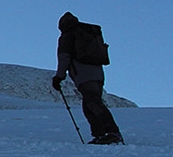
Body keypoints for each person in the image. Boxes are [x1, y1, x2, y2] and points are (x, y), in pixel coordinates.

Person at [52, 12, 124, 145]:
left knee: (93, 104)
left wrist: (59, 77)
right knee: (89, 105)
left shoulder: (67, 36)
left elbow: (64, 58)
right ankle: (100, 135)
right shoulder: (86, 33)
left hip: (84, 76)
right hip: (97, 74)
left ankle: (111, 133)